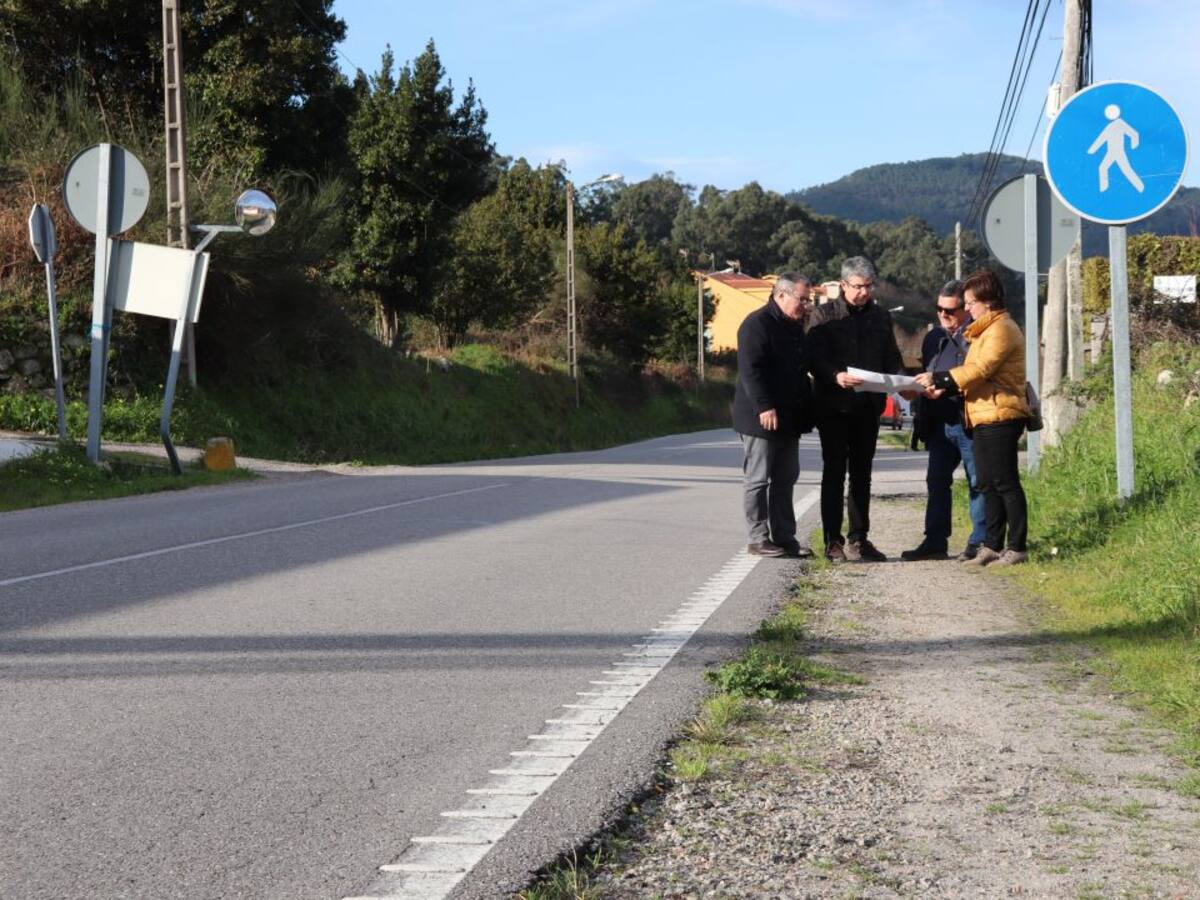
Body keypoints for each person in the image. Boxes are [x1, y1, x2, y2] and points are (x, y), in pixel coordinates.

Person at [915, 269, 1030, 567]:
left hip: (1000, 413)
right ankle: (991, 545)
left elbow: (981, 368)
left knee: (1005, 482)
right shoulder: (983, 329)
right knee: (989, 483)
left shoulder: (1001, 329)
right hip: (982, 414)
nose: (967, 309)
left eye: (970, 302)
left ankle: (1016, 547)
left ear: (988, 301)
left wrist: (939, 379)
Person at [807, 256, 906, 562]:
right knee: (834, 473)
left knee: (862, 475)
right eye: (858, 286)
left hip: (868, 406)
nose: (864, 292)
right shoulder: (823, 315)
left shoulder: (880, 317)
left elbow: (891, 356)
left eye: (868, 286)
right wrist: (835, 375)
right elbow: (813, 359)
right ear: (844, 284)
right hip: (833, 407)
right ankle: (832, 541)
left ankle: (859, 539)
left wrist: (903, 382)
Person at [901, 280, 988, 561]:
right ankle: (935, 541)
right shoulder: (932, 338)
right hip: (938, 423)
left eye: (950, 310)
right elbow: (929, 372)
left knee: (977, 480)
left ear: (965, 309)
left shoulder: (978, 336)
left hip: (968, 421)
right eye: (939, 309)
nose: (943, 315)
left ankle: (980, 541)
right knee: (936, 481)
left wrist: (946, 386)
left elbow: (979, 374)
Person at [733, 273, 816, 558]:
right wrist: (764, 406)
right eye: (802, 299)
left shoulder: (795, 328)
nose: (806, 305)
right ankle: (758, 538)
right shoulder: (756, 325)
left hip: (789, 418)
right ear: (781, 294)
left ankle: (784, 537)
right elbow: (750, 371)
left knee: (786, 477)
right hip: (761, 417)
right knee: (758, 478)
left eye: (809, 300)